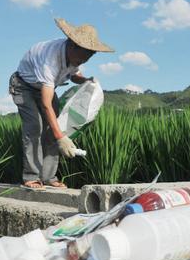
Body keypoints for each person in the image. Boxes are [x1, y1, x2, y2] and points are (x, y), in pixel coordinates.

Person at [9, 18, 114, 189]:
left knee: (54, 128)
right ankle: (31, 176)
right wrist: (61, 138)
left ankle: (49, 177)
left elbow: (73, 75)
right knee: (35, 127)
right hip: (23, 86)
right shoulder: (50, 60)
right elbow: (46, 104)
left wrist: (86, 80)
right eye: (82, 57)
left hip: (43, 87)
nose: (83, 61)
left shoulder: (74, 58)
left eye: (88, 57)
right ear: (72, 45)